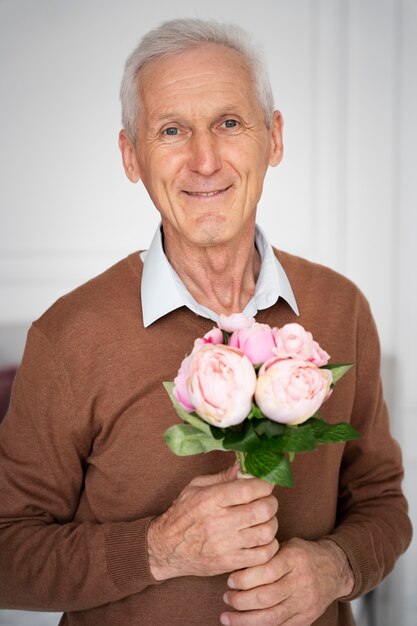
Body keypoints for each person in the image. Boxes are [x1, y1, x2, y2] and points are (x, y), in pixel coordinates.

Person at [0, 18, 412, 626]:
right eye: (171, 130)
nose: (204, 159)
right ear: (131, 156)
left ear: (273, 139)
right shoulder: (67, 337)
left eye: (229, 123)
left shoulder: (341, 306)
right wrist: (159, 550)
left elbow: (383, 504)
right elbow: (7, 550)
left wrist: (337, 566)